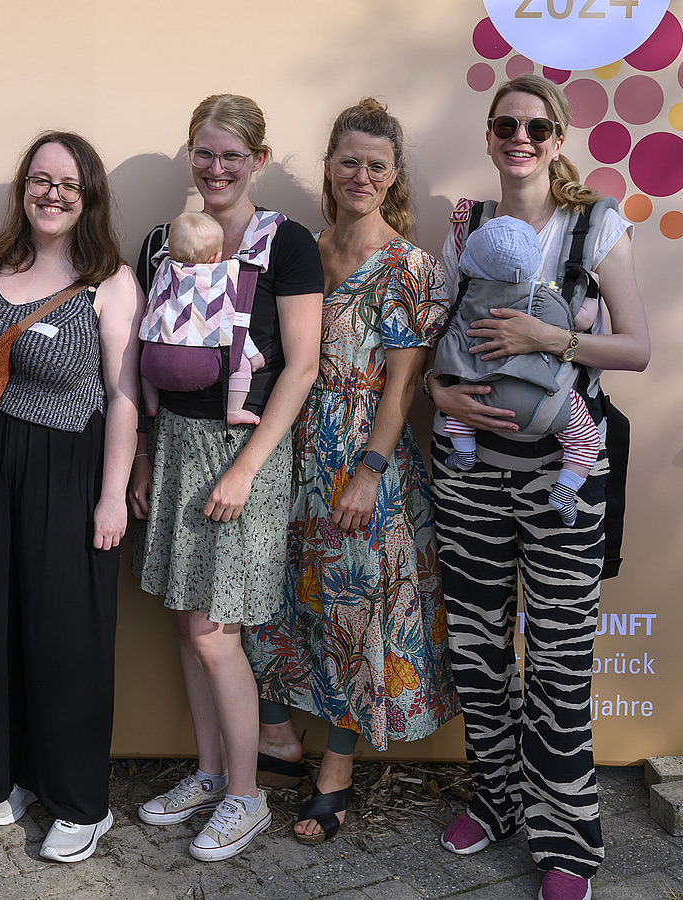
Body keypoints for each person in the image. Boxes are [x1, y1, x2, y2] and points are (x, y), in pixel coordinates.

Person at [427, 74, 650, 900]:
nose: (519, 137)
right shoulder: (471, 228)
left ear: (557, 139)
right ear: (489, 138)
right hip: (473, 476)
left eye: (534, 126)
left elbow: (636, 348)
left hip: (565, 478)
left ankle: (567, 843)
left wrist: (546, 336)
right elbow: (441, 342)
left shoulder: (596, 225)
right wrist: (436, 397)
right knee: (481, 654)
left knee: (558, 661)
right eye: (504, 125)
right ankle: (497, 799)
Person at [247, 98, 458, 844]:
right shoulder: (297, 246)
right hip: (285, 449)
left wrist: (368, 472)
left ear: (394, 174)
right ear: (329, 168)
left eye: (375, 165)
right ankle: (276, 737)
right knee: (263, 603)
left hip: (362, 462)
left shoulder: (412, 268)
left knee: (349, 619)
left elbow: (402, 386)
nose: (359, 176)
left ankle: (334, 780)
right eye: (348, 162)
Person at [128, 94, 322, 862]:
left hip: (248, 450)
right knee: (186, 618)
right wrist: (144, 454)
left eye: (231, 156)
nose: (215, 168)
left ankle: (248, 796)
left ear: (258, 162)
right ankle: (209, 773)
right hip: (175, 441)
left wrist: (246, 467)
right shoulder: (160, 241)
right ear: (191, 155)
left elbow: (302, 367)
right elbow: (145, 349)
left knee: (216, 632)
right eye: (204, 154)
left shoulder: (289, 244)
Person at [0, 131, 142, 864]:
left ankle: (82, 801)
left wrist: (112, 495)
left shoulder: (109, 279)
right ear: (22, 189)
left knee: (66, 639)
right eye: (40, 180)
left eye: (68, 183)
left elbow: (125, 398)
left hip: (70, 469)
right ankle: (11, 773)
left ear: (88, 195)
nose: (53, 194)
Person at [435, 215, 603, 525]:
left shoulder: (466, 301)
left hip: (481, 401)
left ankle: (464, 452)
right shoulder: (546, 300)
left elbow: (448, 345)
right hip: (545, 407)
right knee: (585, 440)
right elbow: (581, 322)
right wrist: (591, 290)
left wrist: (440, 380)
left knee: (456, 413)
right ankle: (565, 489)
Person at [139, 210, 264, 425]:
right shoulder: (219, 279)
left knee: (146, 356)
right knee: (241, 365)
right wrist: (253, 355)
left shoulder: (163, 270)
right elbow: (235, 323)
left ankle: (150, 404)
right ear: (216, 256)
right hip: (200, 368)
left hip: (154, 366)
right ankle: (233, 411)